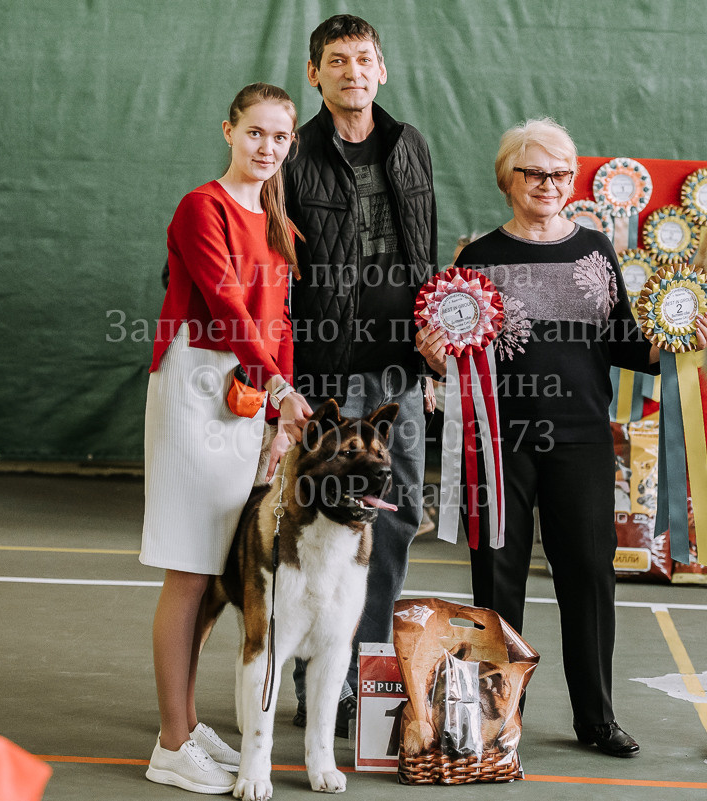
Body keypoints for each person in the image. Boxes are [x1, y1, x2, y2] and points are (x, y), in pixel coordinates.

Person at [416, 118, 707, 758]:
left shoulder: (596, 251)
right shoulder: (478, 258)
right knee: (496, 581)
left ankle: (595, 717)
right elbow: (456, 356)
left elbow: (623, 342)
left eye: (559, 173)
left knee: (588, 576)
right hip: (501, 442)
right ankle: (500, 718)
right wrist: (437, 357)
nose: (548, 185)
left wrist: (677, 338)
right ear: (508, 178)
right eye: (534, 173)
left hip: (581, 440)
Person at [140, 83, 312, 795]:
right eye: (255, 132)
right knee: (188, 571)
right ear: (229, 130)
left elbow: (280, 327)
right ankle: (172, 742)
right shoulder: (200, 207)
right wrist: (277, 388)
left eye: (279, 137)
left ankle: (181, 723)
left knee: (215, 573)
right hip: (193, 389)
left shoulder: (280, 224)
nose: (267, 147)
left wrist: (277, 420)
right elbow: (227, 304)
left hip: (248, 401)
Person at [283, 13, 437, 734]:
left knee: (395, 515)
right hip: (327, 377)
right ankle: (316, 673)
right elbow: (277, 270)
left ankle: (364, 669)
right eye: (337, 60)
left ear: (382, 71)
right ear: (315, 74)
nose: (353, 71)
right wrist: (293, 378)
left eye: (365, 58)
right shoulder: (294, 155)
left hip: (399, 374)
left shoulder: (412, 147)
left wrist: (432, 349)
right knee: (321, 521)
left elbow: (424, 253)